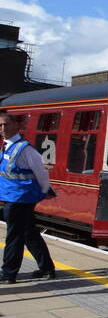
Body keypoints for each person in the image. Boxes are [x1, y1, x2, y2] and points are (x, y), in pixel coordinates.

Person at [0, 112, 57, 283]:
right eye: (0, 126)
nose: (2, 129)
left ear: (16, 126)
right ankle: (47, 268)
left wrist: (46, 190)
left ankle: (9, 273)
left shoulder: (24, 149)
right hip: (13, 197)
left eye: (6, 125)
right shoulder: (7, 146)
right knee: (28, 233)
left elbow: (41, 172)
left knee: (14, 236)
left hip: (20, 199)